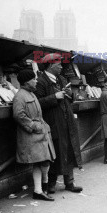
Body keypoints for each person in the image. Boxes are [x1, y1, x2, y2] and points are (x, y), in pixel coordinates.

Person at [35, 53, 83, 194]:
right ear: (50, 65)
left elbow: (70, 99)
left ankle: (70, 182)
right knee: (54, 153)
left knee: (69, 149)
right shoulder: (40, 82)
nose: (61, 67)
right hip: (53, 123)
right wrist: (54, 97)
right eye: (59, 64)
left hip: (67, 122)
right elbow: (37, 103)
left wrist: (70, 94)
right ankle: (51, 185)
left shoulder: (61, 79)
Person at [13, 68, 55, 202]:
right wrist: (33, 126)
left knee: (44, 161)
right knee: (40, 162)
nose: (36, 81)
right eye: (34, 79)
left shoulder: (31, 94)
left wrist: (44, 125)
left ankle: (42, 188)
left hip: (40, 134)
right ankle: (40, 189)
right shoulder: (20, 96)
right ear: (26, 82)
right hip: (32, 135)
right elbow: (19, 115)